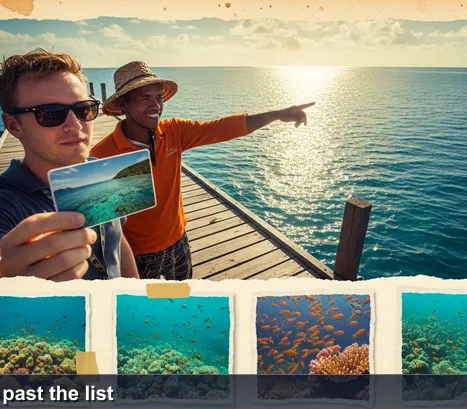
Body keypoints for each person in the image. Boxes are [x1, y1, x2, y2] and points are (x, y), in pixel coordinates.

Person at [91, 61, 314, 280]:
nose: (156, 106)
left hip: (178, 241)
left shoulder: (174, 132)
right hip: (137, 254)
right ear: (123, 104)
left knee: (180, 299)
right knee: (146, 308)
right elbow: (100, 220)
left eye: (158, 98)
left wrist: (275, 114)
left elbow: (221, 128)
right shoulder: (103, 154)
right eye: (145, 98)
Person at [0, 48, 139, 281]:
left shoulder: (97, 169)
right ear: (14, 125)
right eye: (50, 114)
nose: (75, 125)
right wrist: (5, 282)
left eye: (83, 109)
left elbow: (117, 243)